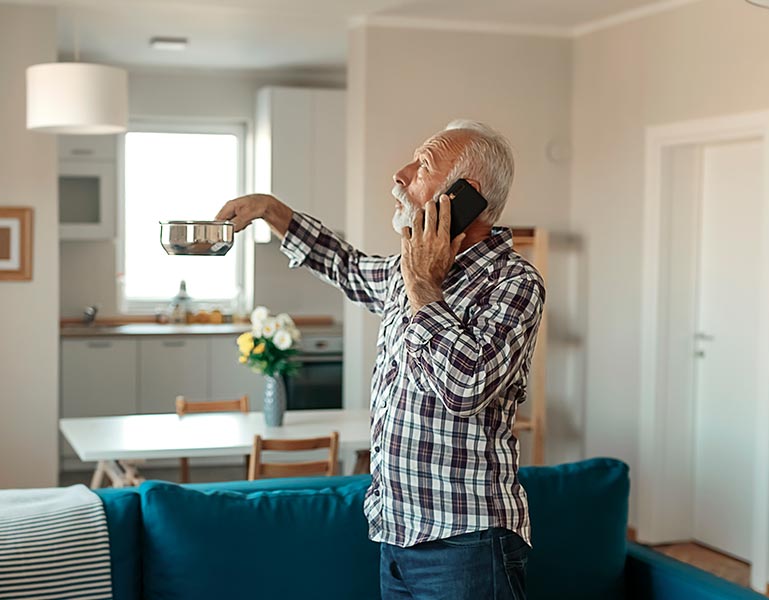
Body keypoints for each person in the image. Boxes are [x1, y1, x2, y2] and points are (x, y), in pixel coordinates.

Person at [215, 120, 544, 599]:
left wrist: (425, 289)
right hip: (395, 534)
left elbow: (465, 386)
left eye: (423, 165)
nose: (400, 174)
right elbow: (345, 264)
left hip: (468, 540)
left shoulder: (513, 283)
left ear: (463, 194)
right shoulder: (405, 269)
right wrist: (270, 210)